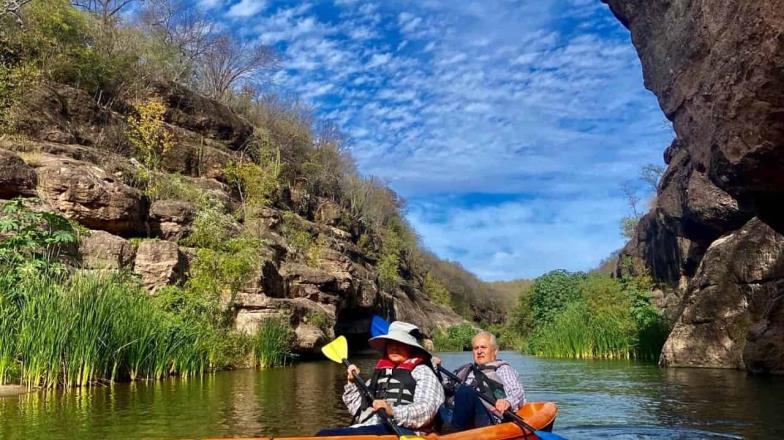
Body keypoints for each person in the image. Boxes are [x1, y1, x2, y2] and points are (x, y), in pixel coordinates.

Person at [316, 321, 444, 436]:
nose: (394, 347)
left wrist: (392, 411)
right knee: (324, 433)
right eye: (391, 343)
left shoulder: (423, 372)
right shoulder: (381, 373)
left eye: (400, 343)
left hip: (405, 431)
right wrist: (353, 383)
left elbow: (427, 410)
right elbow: (359, 410)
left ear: (411, 347)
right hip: (372, 428)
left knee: (325, 435)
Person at [434, 331, 525, 431]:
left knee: (466, 391)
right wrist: (435, 370)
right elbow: (446, 389)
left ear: (495, 351)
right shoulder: (466, 370)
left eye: (483, 347)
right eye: (476, 348)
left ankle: (452, 433)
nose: (479, 351)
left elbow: (517, 391)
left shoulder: (503, 369)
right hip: (459, 416)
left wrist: (507, 402)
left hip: (490, 419)